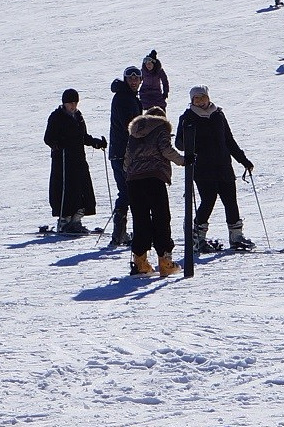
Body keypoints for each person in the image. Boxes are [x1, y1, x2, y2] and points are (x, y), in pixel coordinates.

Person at [176, 85, 255, 253]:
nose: (200, 101)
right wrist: (189, 145)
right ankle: (197, 238)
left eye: (202, 97)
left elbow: (229, 140)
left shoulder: (218, 115)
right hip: (203, 168)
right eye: (196, 98)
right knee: (208, 200)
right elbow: (179, 143)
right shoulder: (187, 117)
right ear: (192, 100)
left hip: (223, 165)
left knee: (230, 201)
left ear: (208, 97)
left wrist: (244, 160)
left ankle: (236, 236)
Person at [123, 99, 187, 277]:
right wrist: (183, 161)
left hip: (134, 180)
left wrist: (130, 173)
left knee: (140, 219)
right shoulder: (161, 127)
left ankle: (140, 262)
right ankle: (165, 261)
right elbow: (166, 149)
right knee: (161, 217)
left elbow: (127, 158)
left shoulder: (134, 132)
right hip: (154, 177)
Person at [43, 88, 106, 236]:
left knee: (83, 190)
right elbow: (48, 138)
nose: (73, 105)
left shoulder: (78, 116)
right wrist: (57, 144)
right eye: (70, 103)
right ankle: (64, 220)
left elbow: (83, 136)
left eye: (75, 102)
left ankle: (76, 220)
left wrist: (96, 143)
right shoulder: (56, 117)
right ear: (64, 103)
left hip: (78, 159)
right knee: (65, 190)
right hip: (63, 162)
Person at [107, 67, 142, 247]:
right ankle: (120, 233)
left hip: (126, 152)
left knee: (128, 191)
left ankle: (121, 233)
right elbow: (129, 125)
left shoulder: (130, 97)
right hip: (122, 153)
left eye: (137, 78)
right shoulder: (123, 98)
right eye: (131, 78)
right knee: (128, 191)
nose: (134, 81)